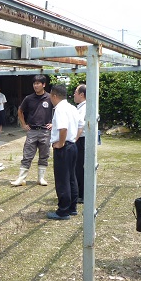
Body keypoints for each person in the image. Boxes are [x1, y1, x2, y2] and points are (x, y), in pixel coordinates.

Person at [46, 85, 84, 220]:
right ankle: (72, 207)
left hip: (64, 147)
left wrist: (61, 143)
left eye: (51, 96)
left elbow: (63, 128)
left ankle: (63, 211)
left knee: (63, 179)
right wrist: (74, 138)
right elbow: (81, 125)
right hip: (72, 145)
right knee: (71, 177)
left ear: (54, 96)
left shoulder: (60, 109)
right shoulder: (72, 108)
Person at [11, 75, 53, 187]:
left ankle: (41, 178)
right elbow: (20, 110)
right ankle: (21, 178)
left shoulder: (49, 97)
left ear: (44, 84)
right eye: (34, 83)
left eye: (38, 83)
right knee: (27, 155)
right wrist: (23, 124)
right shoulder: (29, 98)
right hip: (32, 131)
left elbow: (58, 110)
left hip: (45, 131)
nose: (36, 85)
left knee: (44, 155)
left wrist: (53, 123)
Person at [73, 84, 87, 204]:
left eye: (75, 92)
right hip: (80, 140)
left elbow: (81, 125)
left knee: (79, 167)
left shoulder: (84, 107)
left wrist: (74, 139)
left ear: (81, 95)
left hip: (81, 140)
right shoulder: (80, 107)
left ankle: (81, 194)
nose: (74, 95)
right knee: (79, 166)